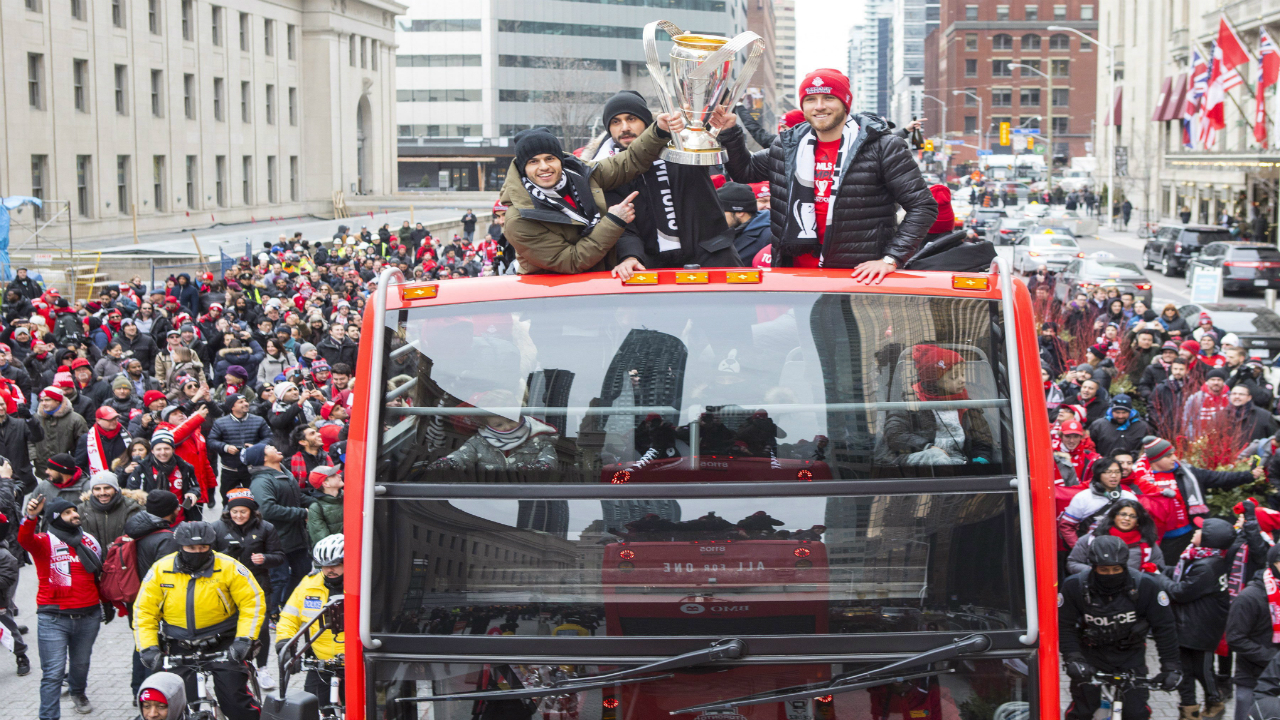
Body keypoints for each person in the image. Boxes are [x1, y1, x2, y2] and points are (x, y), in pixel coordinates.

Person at [717, 68, 936, 282]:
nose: (819, 106)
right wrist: (729, 132)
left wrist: (891, 258)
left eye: (828, 97)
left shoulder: (882, 146)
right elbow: (744, 172)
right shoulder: (788, 145)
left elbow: (922, 206)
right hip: (797, 274)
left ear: (845, 103)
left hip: (858, 277)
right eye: (811, 100)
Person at [501, 113, 684, 275]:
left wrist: (658, 131)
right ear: (523, 169)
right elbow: (571, 261)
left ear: (561, 161)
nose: (544, 167)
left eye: (550, 158)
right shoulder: (518, 218)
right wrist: (613, 222)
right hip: (552, 300)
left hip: (598, 287)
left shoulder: (581, 175)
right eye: (533, 162)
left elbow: (629, 161)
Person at [586, 91, 742, 279]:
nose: (624, 127)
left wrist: (725, 128)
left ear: (646, 121)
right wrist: (630, 256)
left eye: (631, 118)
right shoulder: (607, 169)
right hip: (652, 268)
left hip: (712, 258)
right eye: (615, 122)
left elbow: (738, 167)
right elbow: (621, 226)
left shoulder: (682, 143)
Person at [133, 521, 265, 720]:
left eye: (203, 547)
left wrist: (244, 639)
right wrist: (148, 647)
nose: (198, 551)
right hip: (179, 644)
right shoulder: (161, 568)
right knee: (180, 701)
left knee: (235, 700)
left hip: (224, 642)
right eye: (191, 548)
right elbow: (144, 611)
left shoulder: (230, 566)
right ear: (180, 546)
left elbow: (252, 602)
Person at [1059, 535, 1181, 720]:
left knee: (1136, 713)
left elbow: (1164, 628)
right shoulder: (1074, 586)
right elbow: (1064, 625)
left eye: (1116, 569)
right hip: (1090, 655)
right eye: (1104, 569)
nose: (1110, 574)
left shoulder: (1146, 585)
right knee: (1082, 711)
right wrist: (1073, 658)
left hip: (1130, 656)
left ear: (1125, 565)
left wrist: (1171, 667)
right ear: (1093, 566)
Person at [19, 494, 105, 719]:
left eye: (74, 511)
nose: (75, 514)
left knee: (80, 665)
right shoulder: (44, 542)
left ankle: (78, 693)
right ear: (55, 519)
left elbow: (99, 574)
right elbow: (23, 540)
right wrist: (30, 516)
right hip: (54, 618)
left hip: (88, 616)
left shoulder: (88, 540)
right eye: (67, 513)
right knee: (53, 674)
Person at [1156, 517, 1235, 720]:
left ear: (1210, 539)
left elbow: (1180, 591)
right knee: (1184, 670)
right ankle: (1189, 709)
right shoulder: (1200, 557)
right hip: (1188, 624)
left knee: (1202, 669)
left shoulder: (1207, 566)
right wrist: (1162, 570)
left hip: (1201, 628)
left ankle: (1214, 702)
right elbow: (1179, 575)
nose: (1194, 531)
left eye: (1200, 530)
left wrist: (1158, 576)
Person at [211, 488, 284, 691]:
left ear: (252, 512)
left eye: (243, 512)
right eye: (235, 512)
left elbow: (279, 555)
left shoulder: (266, 528)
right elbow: (208, 558)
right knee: (231, 627)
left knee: (260, 628)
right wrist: (226, 554)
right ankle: (235, 666)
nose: (239, 516)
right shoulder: (217, 527)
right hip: (227, 588)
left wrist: (265, 559)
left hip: (258, 585)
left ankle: (262, 669)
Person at [880, 344, 994, 466]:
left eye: (963, 374)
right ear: (934, 380)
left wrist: (980, 460)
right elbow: (895, 434)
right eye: (954, 377)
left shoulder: (967, 405)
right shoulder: (912, 402)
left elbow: (982, 440)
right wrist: (927, 446)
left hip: (958, 460)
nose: (962, 380)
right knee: (938, 458)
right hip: (923, 458)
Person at [276, 534, 345, 704]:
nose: (330, 570)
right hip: (320, 662)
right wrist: (285, 643)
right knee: (312, 708)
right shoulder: (309, 584)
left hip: (357, 662)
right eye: (324, 565)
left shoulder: (365, 585)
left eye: (336, 564)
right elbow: (289, 617)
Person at [246, 443, 312, 610]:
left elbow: (296, 497)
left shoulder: (284, 472)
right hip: (276, 539)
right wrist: (303, 513)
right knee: (279, 578)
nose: (273, 446)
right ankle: (272, 612)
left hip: (296, 536)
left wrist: (316, 504)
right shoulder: (261, 481)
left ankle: (286, 605)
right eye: (268, 447)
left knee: (303, 570)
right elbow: (267, 510)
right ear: (264, 458)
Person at [1226, 543, 1280, 720]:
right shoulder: (1250, 597)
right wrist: (1273, 660)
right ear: (1276, 563)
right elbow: (1235, 639)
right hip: (1252, 678)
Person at [1066, 499, 1167, 576]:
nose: (1127, 519)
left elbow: (1159, 569)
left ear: (1138, 521)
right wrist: (1094, 572)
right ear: (1114, 516)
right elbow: (1073, 563)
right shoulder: (1092, 539)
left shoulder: (1148, 543)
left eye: (1132, 516)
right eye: (1123, 514)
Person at [1058, 457, 1139, 548]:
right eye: (1108, 472)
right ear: (1098, 474)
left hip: (1122, 551)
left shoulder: (1129, 497)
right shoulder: (1082, 498)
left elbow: (1138, 525)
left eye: (1117, 472)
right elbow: (1067, 526)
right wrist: (1079, 549)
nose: (1114, 476)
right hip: (1092, 553)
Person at [209, 394, 271, 502]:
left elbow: (269, 437)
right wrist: (226, 447)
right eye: (241, 402)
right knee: (227, 500)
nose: (246, 404)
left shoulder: (259, 420)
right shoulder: (220, 422)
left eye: (246, 401)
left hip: (253, 469)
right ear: (232, 407)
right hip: (230, 469)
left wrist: (257, 448)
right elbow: (211, 441)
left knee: (256, 500)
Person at [76, 469, 143, 548]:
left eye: (107, 488)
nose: (102, 492)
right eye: (97, 489)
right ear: (92, 491)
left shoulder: (133, 508)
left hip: (123, 557)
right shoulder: (81, 510)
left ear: (116, 489)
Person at [33, 386, 88, 479]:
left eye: (47, 400)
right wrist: (35, 457)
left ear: (57, 401)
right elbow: (30, 439)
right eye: (41, 400)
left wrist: (74, 462)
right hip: (42, 469)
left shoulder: (76, 419)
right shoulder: (36, 418)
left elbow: (82, 445)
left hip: (66, 470)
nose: (43, 403)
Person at [716, 182, 772, 262]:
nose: (719, 217)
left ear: (740, 212)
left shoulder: (768, 237)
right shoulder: (724, 232)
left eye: (722, 212)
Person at [307, 466, 343, 544]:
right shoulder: (316, 508)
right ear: (325, 483)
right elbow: (324, 542)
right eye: (334, 475)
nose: (340, 475)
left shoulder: (348, 496)